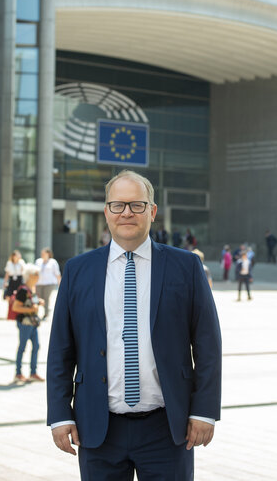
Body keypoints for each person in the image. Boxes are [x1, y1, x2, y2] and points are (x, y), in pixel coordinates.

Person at [47, 169, 222, 480]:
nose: (126, 212)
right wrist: (60, 414)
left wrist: (204, 410)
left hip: (168, 428)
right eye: (118, 205)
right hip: (97, 427)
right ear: (106, 212)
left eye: (137, 205)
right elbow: (61, 348)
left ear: (152, 212)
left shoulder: (186, 267)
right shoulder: (77, 270)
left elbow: (208, 344)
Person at [12, 263, 45, 383]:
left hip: (32, 323)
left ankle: (33, 372)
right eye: (36, 274)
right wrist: (31, 309)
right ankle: (18, 373)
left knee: (36, 346)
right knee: (22, 347)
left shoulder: (32, 288)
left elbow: (34, 302)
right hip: (25, 323)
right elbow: (16, 307)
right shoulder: (23, 290)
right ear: (29, 275)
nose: (38, 276)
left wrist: (39, 302)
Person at [35, 248, 61, 320]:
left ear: (48, 254)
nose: (42, 255)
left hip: (49, 283)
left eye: (44, 253)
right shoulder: (38, 261)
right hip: (39, 283)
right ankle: (36, 313)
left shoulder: (53, 262)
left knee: (46, 298)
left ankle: (45, 314)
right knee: (37, 298)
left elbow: (57, 274)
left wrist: (60, 284)